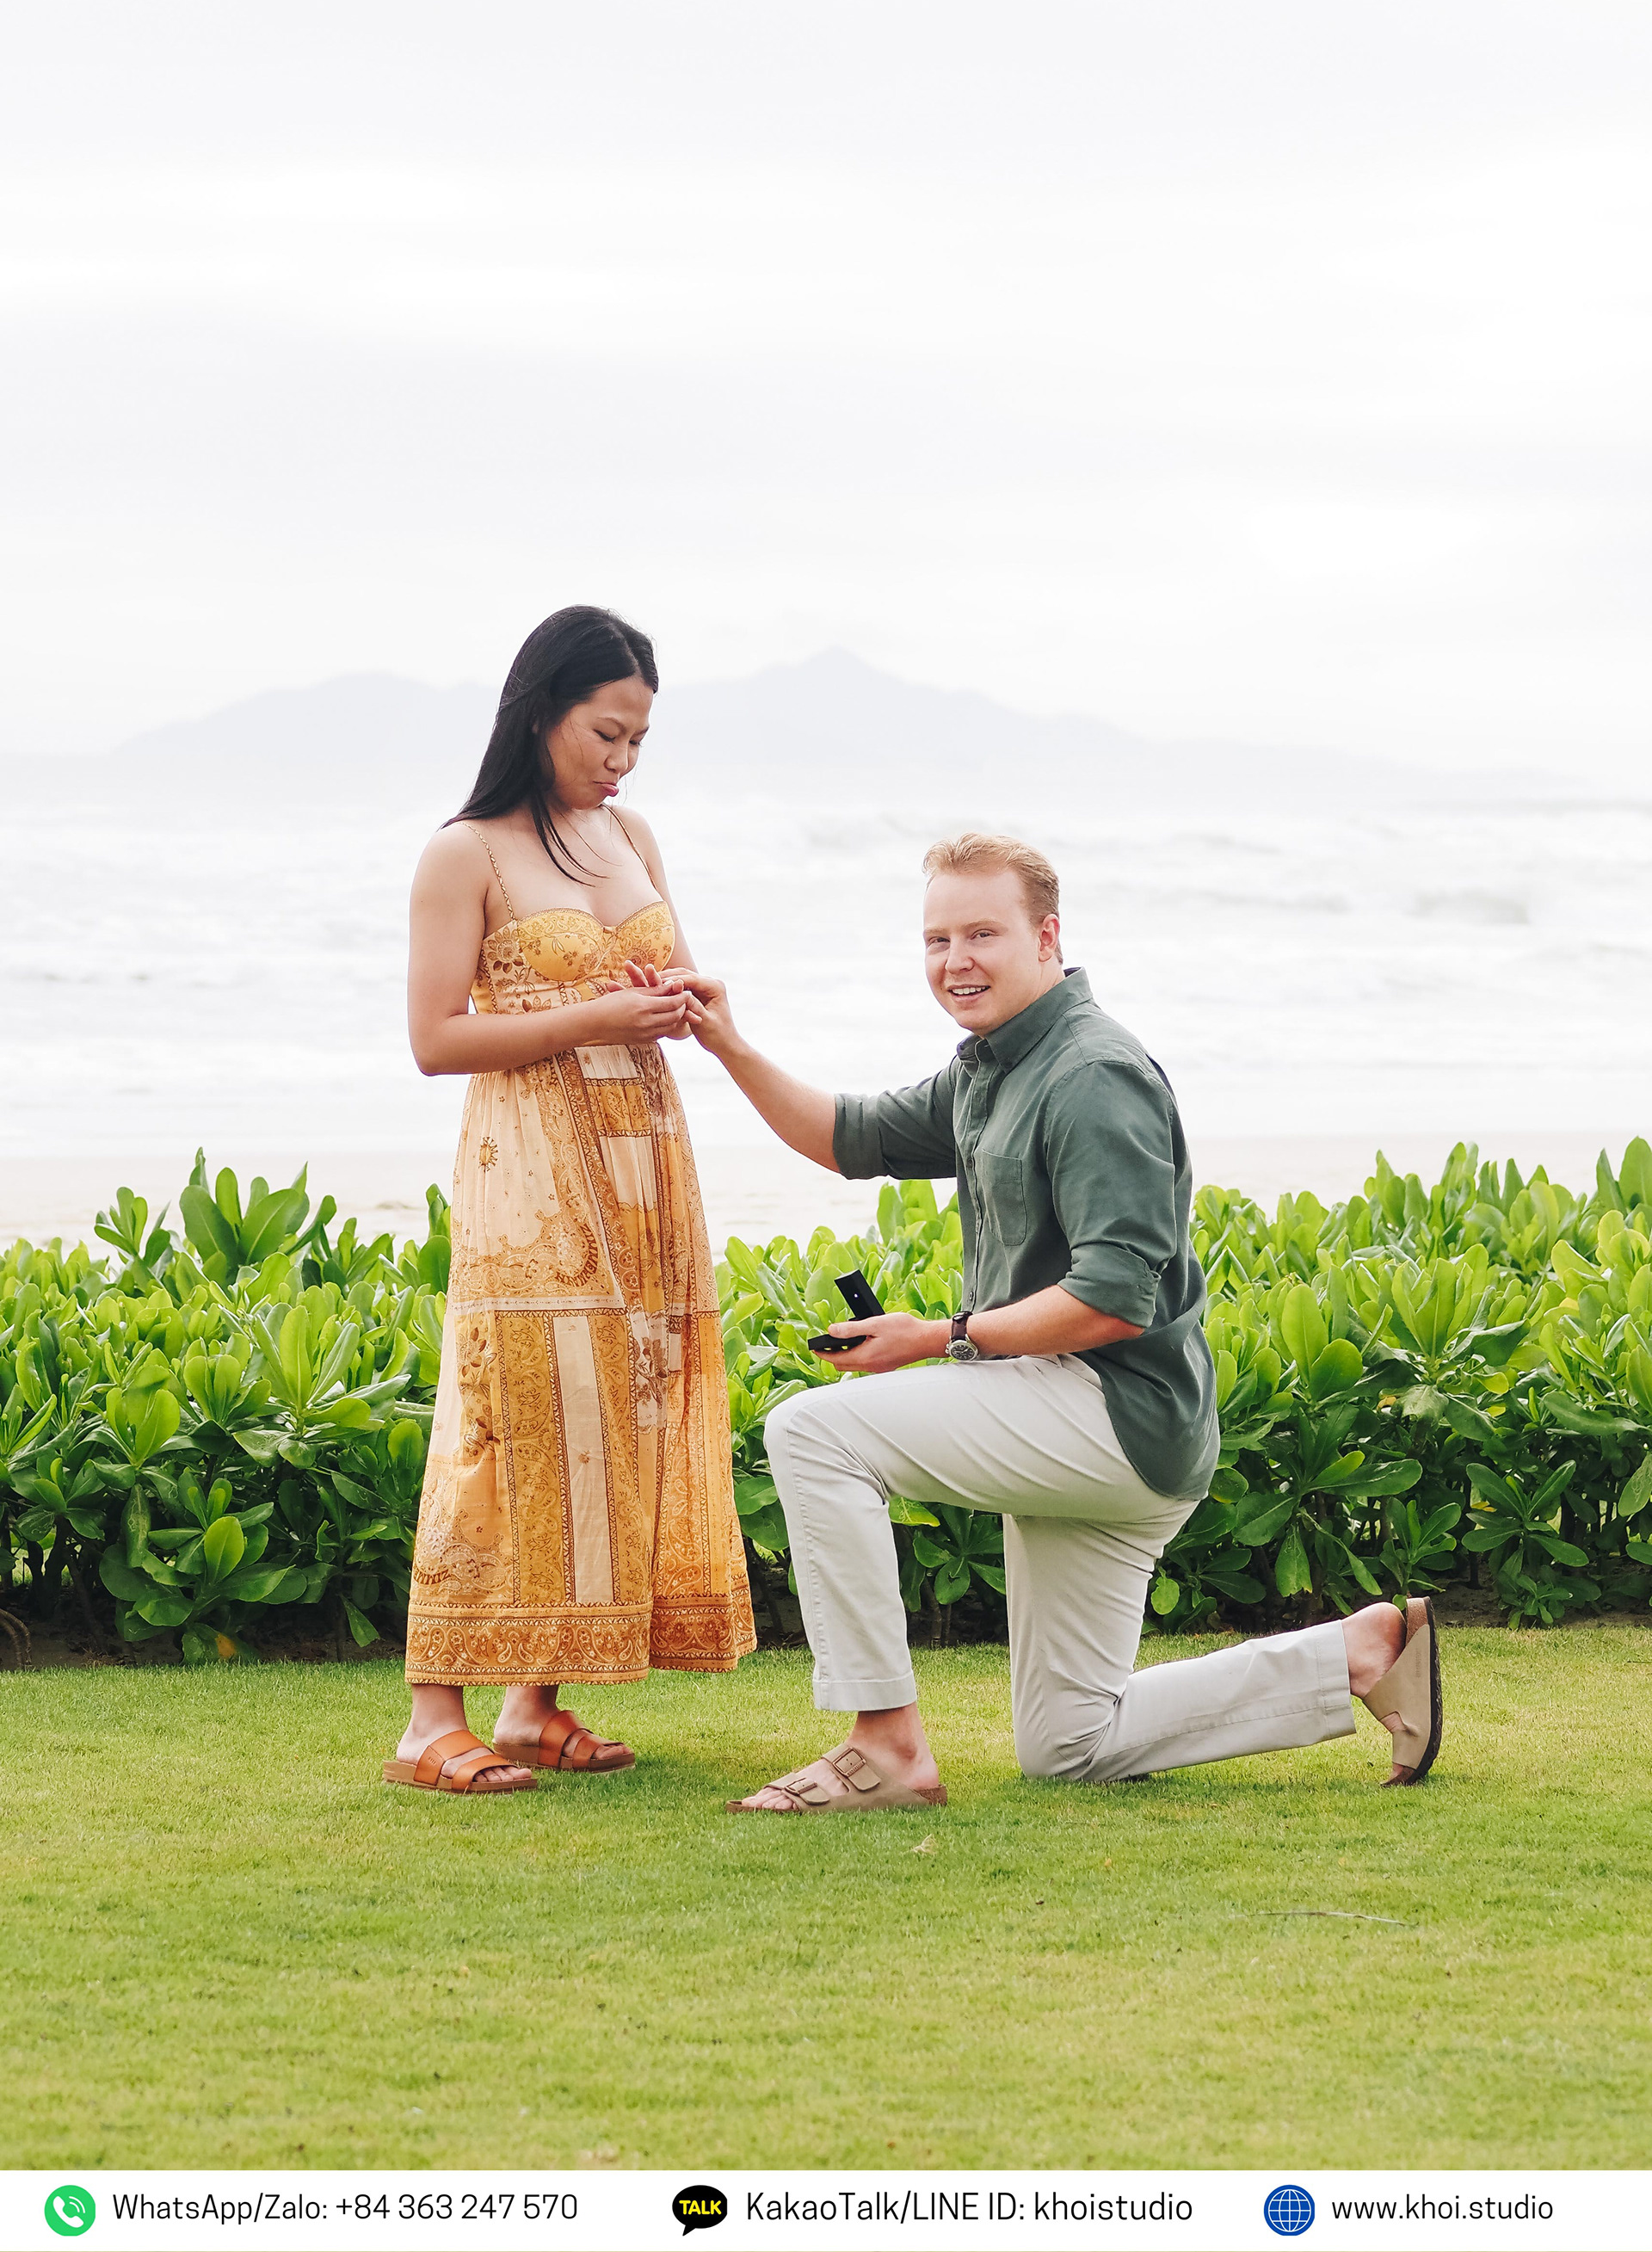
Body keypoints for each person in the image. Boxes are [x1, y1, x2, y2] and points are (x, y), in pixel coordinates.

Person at [665, 830, 1442, 1812]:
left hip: (1112, 1412)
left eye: (981, 933)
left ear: (1047, 937)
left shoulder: (1091, 1075)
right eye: (937, 939)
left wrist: (939, 1337)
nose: (956, 961)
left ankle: (885, 1748)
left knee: (810, 1435)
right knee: (1072, 1743)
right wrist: (728, 1043)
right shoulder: (995, 1064)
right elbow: (847, 1136)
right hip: (1082, 1421)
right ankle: (1367, 1649)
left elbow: (1114, 1303)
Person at [385, 606, 755, 1798]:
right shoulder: (467, 853)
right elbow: (436, 1038)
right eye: (607, 731)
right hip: (530, 1162)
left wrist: (689, 999)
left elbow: (658, 974)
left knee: (614, 1415)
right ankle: (428, 1716)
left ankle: (534, 1705)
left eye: (640, 738)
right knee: (503, 1415)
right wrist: (595, 1017)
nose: (623, 760)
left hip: (645, 1150)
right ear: (542, 710)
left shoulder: (631, 834)